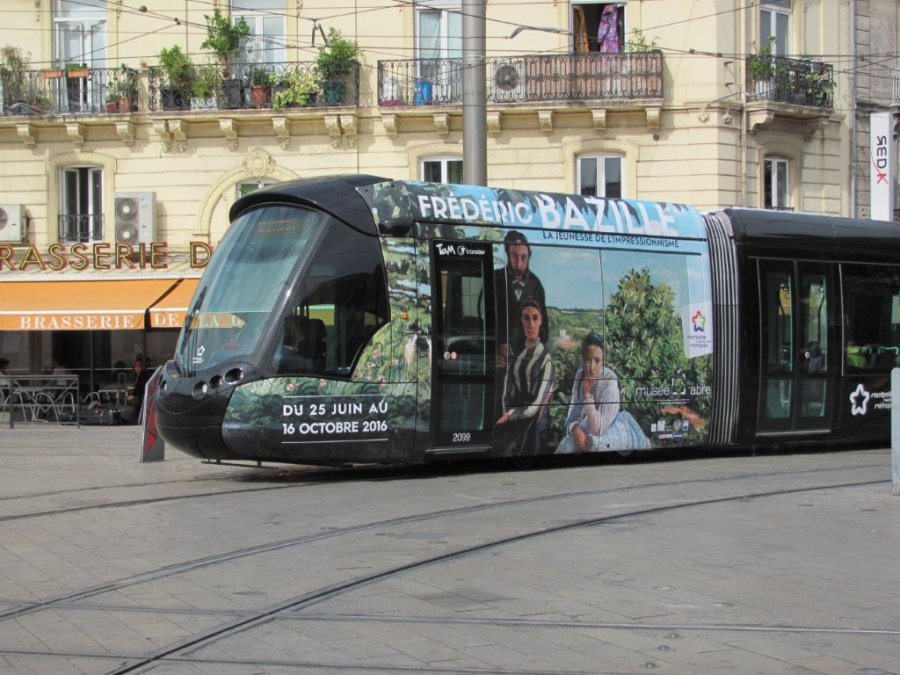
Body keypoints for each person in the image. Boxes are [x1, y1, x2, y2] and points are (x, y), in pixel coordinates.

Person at [556, 332, 650, 454]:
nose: (592, 367)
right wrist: (574, 428)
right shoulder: (580, 375)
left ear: (603, 362)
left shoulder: (609, 380)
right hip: (589, 425)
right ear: (583, 359)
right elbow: (573, 414)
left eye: (597, 360)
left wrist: (586, 396)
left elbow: (598, 428)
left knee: (590, 444)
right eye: (588, 360)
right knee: (568, 444)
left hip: (610, 430)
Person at [495, 298, 556, 456]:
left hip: (531, 425)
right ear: (521, 322)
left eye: (535, 318)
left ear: (541, 321)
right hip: (513, 421)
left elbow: (536, 405)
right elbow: (508, 388)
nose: (531, 324)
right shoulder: (518, 355)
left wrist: (510, 415)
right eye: (526, 318)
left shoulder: (545, 360)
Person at [118, 358, 151, 424]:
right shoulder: (137, 375)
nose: (137, 368)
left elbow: (140, 387)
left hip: (143, 396)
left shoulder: (143, 375)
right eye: (136, 366)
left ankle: (138, 419)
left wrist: (133, 395)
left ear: (142, 367)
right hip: (140, 395)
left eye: (139, 366)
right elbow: (137, 387)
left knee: (137, 405)